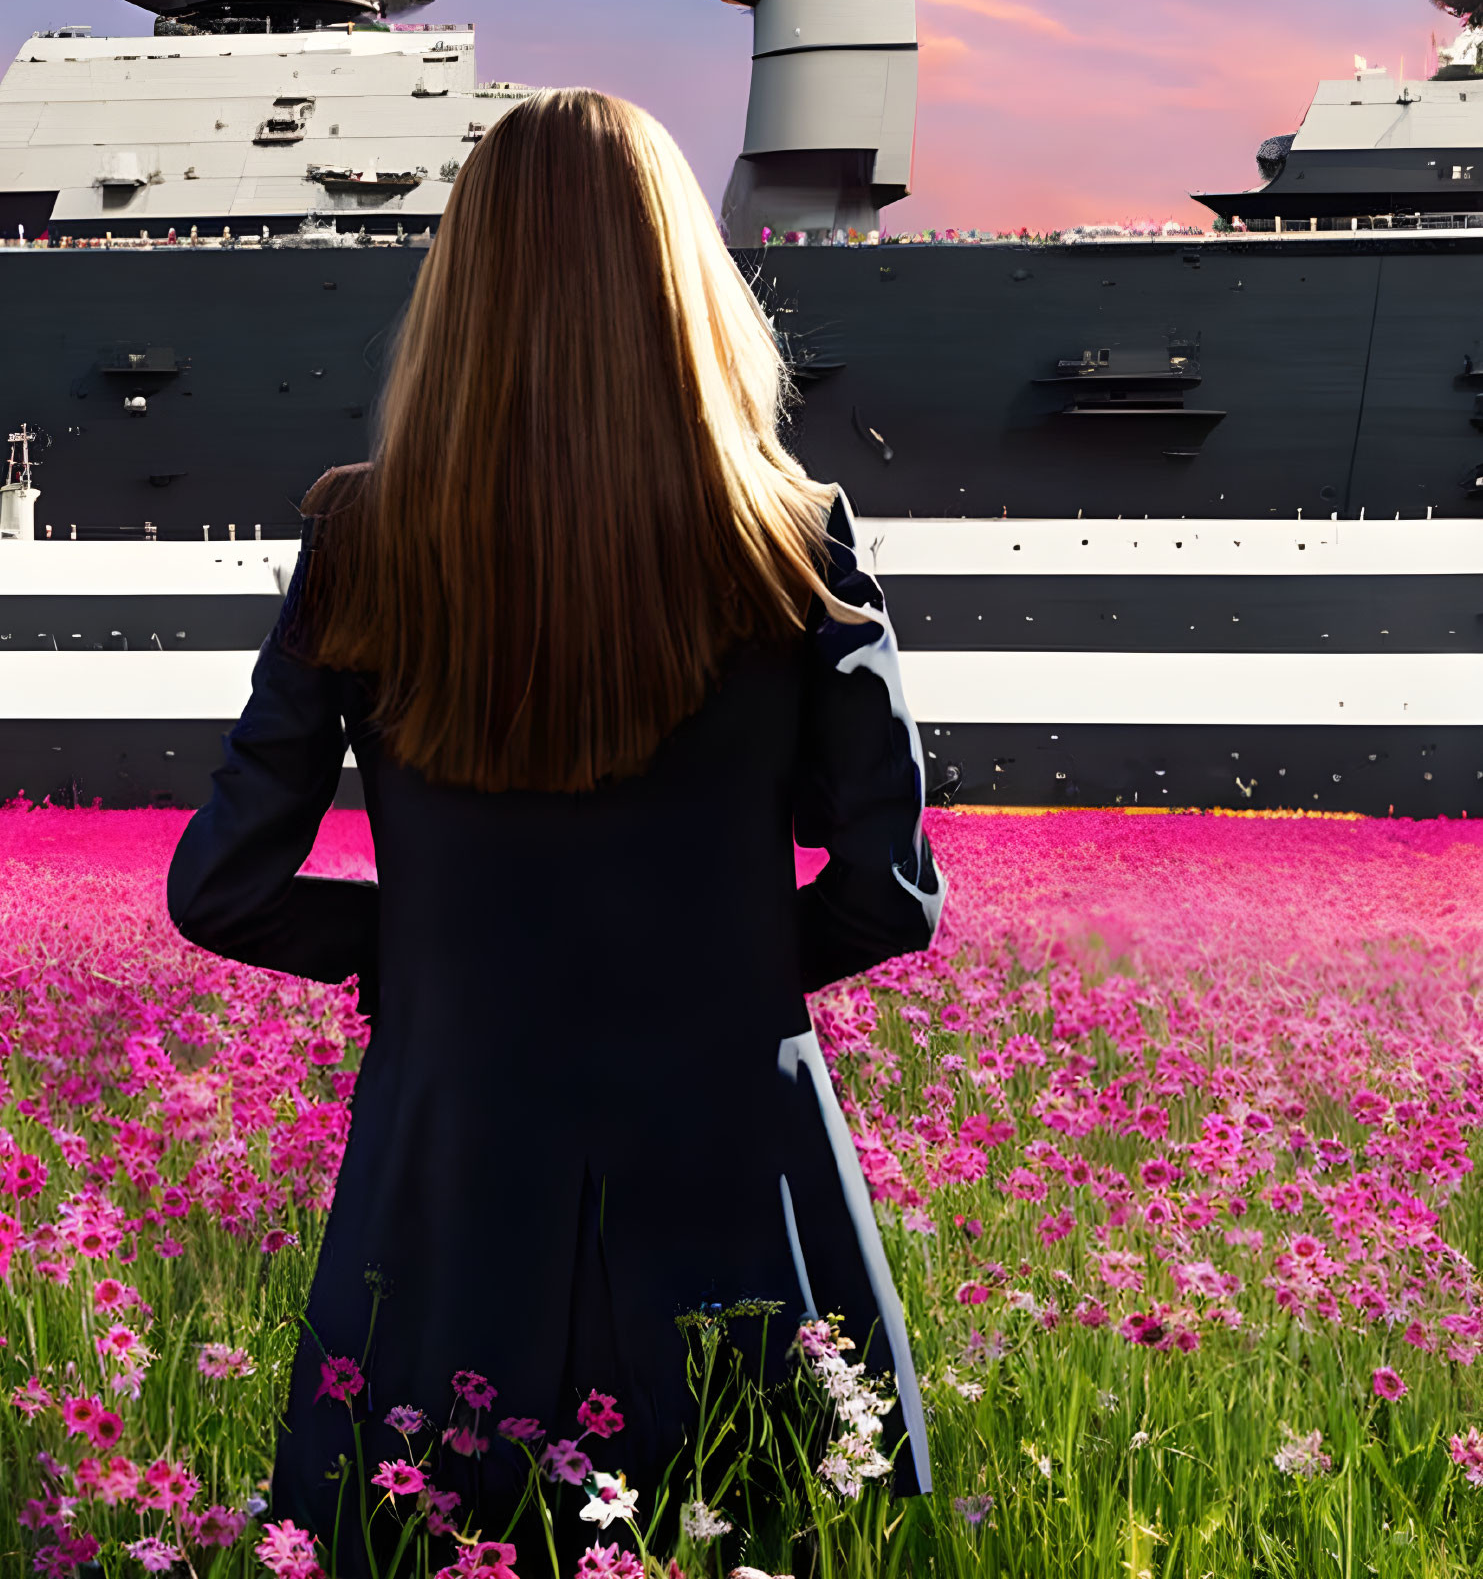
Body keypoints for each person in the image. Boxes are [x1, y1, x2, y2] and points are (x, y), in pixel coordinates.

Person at [166, 89, 943, 1575]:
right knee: (762, 1526)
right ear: (686, 282)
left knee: (424, 1530)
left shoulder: (362, 532)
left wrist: (438, 956)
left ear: (465, 292)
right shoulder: (794, 529)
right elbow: (892, 890)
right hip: (737, 1157)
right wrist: (712, 966)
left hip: (450, 1157)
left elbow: (225, 889)